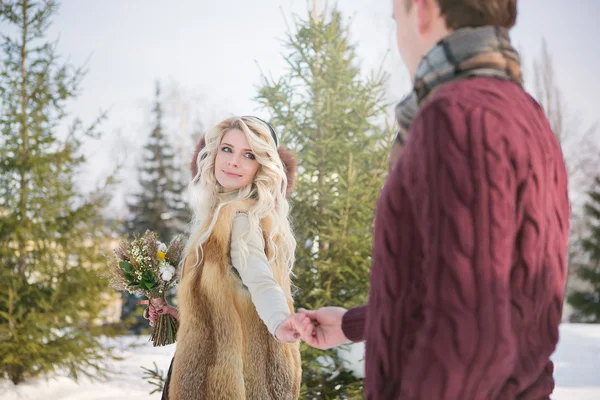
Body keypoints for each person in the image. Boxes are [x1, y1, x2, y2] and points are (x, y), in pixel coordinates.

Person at [295, 0, 571, 399]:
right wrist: (351, 325)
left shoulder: (457, 117)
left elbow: (470, 333)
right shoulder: (526, 115)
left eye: (397, 20)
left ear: (422, 11)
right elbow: (483, 292)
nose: (399, 38)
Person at [144, 116, 302, 399]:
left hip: (222, 383)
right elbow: (233, 304)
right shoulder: (226, 215)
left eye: (248, 155)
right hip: (210, 370)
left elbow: (261, 282)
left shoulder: (240, 219)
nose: (233, 161)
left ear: (261, 167)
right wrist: (185, 316)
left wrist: (282, 323)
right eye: (227, 149)